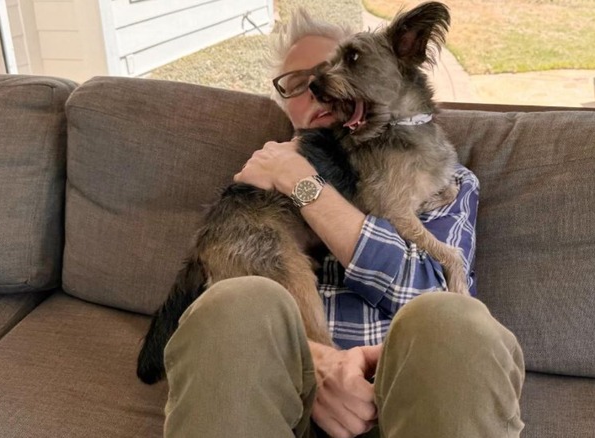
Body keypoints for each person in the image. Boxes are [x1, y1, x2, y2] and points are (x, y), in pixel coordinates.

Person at [162, 9, 525, 438]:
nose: (320, 90)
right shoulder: (261, 172)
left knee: (453, 321)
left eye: (334, 69)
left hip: (408, 397)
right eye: (298, 84)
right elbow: (218, 320)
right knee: (233, 303)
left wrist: (304, 185)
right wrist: (314, 362)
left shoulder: (449, 179)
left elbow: (433, 291)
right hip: (282, 399)